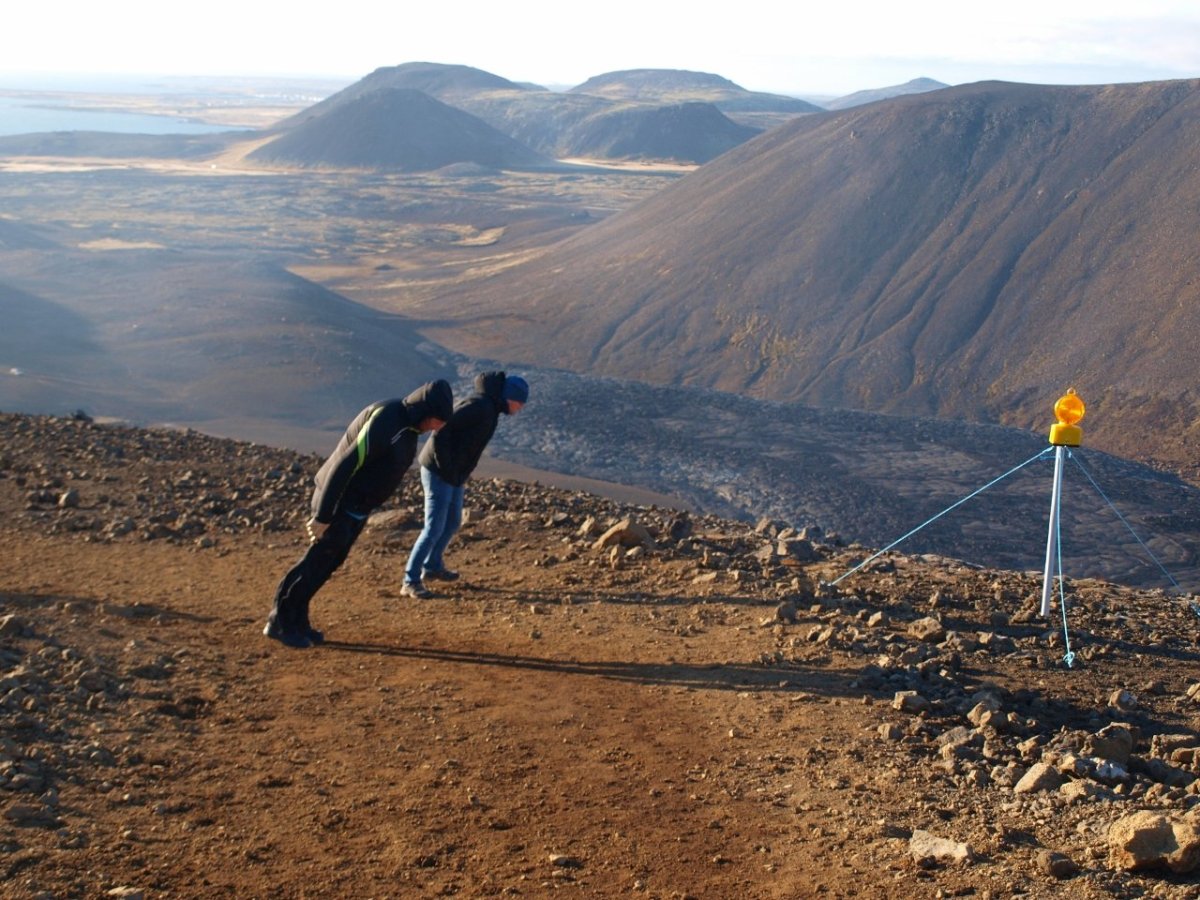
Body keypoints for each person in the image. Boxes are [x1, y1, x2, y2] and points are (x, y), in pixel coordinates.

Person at [264, 380, 454, 648]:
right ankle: (280, 622)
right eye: (436, 420)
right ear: (425, 409)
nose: (436, 427)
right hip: (339, 504)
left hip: (357, 508)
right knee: (316, 562)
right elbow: (345, 464)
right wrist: (323, 515)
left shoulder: (408, 428)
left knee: (329, 564)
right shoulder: (387, 420)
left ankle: (298, 620)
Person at [402, 372, 528, 598]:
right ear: (510, 397)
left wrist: (458, 471)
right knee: (434, 527)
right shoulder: (478, 406)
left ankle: (432, 566)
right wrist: (447, 467)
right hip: (438, 470)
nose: (520, 409)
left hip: (454, 473)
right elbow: (441, 431)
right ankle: (410, 580)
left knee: (452, 522)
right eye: (519, 403)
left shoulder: (490, 409)